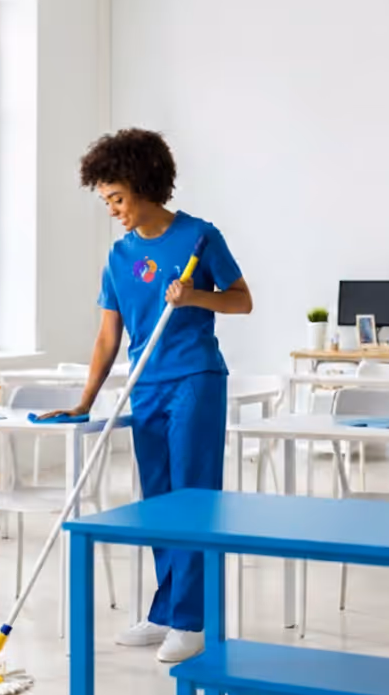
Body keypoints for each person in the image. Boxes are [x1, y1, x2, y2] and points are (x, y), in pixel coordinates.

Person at [41, 128, 252, 663]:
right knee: (158, 500)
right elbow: (108, 336)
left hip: (195, 380)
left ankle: (193, 619)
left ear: (142, 183)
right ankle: (165, 610)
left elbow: (242, 301)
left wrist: (195, 296)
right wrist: (85, 400)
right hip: (145, 387)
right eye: (105, 199)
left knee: (192, 498)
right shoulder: (118, 256)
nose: (112, 208)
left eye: (116, 196)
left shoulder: (200, 237)